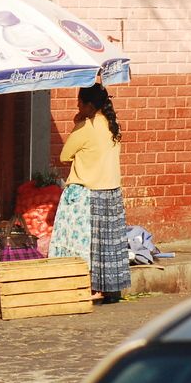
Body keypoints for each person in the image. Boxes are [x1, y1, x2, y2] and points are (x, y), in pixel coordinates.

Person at [49, 83, 129, 303]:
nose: (77, 106)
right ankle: (111, 289)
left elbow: (65, 156)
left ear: (89, 105)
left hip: (89, 192)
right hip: (111, 191)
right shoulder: (113, 125)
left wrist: (77, 124)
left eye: (80, 103)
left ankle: (88, 286)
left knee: (88, 244)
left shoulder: (84, 128)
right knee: (109, 244)